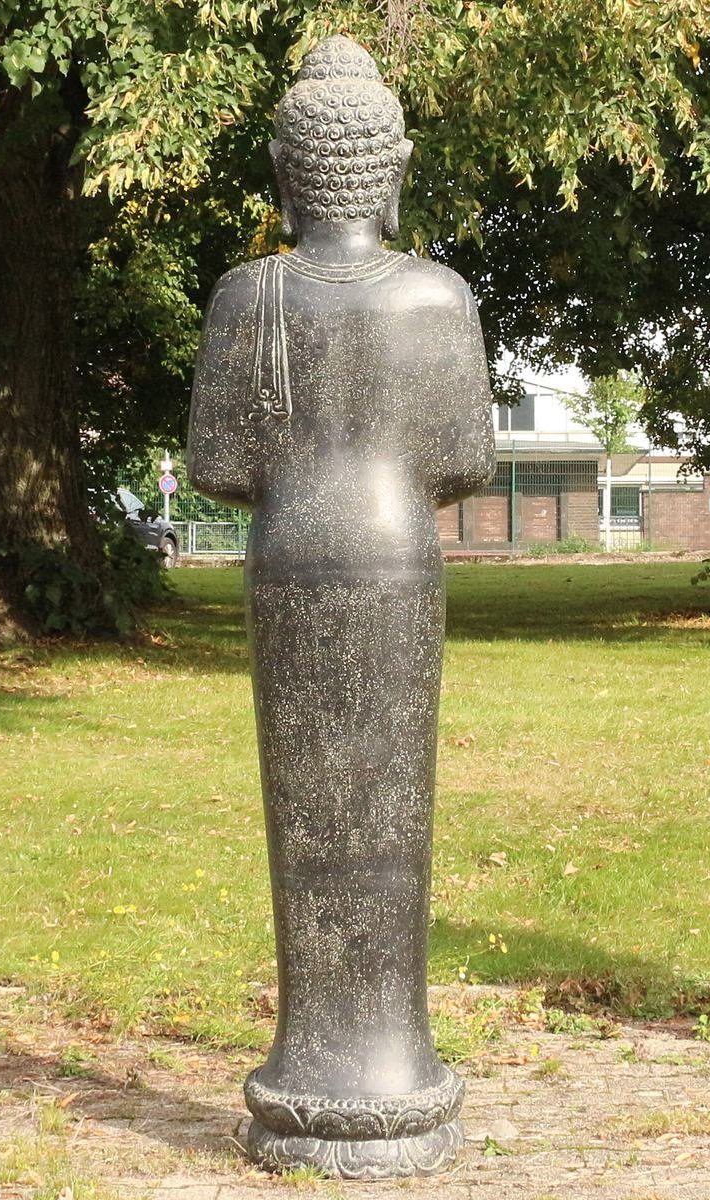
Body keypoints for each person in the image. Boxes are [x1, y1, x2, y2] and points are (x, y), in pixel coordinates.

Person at [187, 35, 494, 1179]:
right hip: (395, 548)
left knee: (320, 814)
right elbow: (463, 455)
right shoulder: (436, 296)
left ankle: (330, 1065)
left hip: (291, 551)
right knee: (379, 809)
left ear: (284, 170)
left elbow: (220, 462)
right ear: (393, 168)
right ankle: (381, 1064)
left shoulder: (246, 294)